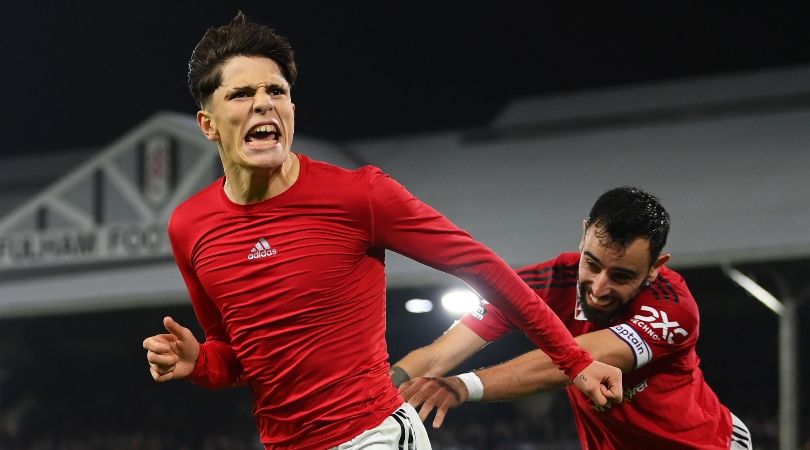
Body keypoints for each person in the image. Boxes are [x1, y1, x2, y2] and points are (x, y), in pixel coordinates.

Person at [140, 12, 622, 450]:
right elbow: (239, 360)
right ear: (208, 123)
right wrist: (198, 362)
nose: (264, 104)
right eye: (242, 94)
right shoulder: (189, 226)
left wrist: (575, 362)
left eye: (276, 91)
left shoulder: (360, 196)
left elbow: (487, 271)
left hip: (374, 436)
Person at [394, 186, 753, 450]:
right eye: (592, 264)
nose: (599, 287)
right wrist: (378, 390)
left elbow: (575, 359)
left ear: (656, 268)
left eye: (622, 275)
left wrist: (462, 386)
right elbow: (439, 354)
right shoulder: (548, 282)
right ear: (583, 236)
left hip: (709, 444)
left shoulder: (673, 310)